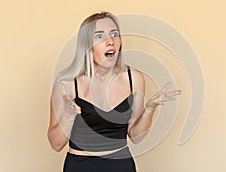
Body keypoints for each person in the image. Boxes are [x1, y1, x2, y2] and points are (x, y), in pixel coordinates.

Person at [47, 12, 181, 172]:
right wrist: (68, 117)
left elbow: (136, 137)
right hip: (80, 166)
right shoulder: (67, 85)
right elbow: (55, 144)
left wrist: (150, 109)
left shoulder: (134, 79)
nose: (110, 41)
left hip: (121, 166)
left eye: (114, 34)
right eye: (99, 36)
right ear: (86, 44)